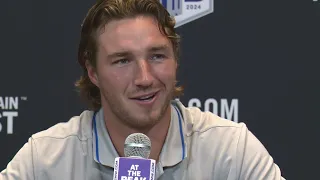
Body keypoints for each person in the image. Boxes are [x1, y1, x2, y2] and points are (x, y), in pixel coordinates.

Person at [0, 0, 285, 179]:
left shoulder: (231, 151)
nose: (145, 77)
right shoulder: (45, 160)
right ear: (93, 72)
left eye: (157, 56)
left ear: (175, 59)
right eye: (122, 61)